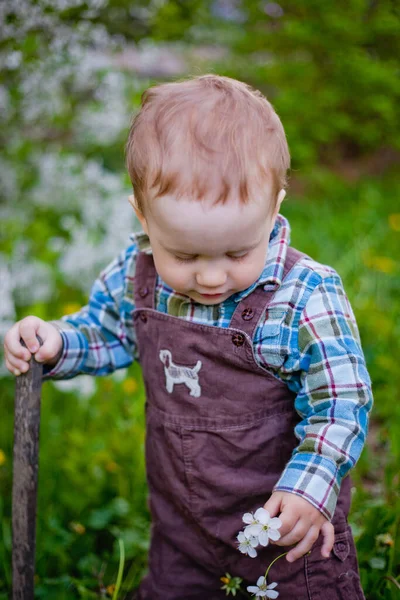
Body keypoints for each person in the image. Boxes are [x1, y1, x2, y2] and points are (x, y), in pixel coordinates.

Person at [4, 75, 372, 599]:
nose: (212, 278)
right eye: (185, 255)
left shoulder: (305, 297)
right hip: (181, 533)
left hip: (285, 531)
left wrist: (311, 487)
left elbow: (341, 401)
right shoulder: (138, 275)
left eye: (238, 252)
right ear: (142, 215)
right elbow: (106, 332)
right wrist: (58, 343)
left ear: (275, 208)